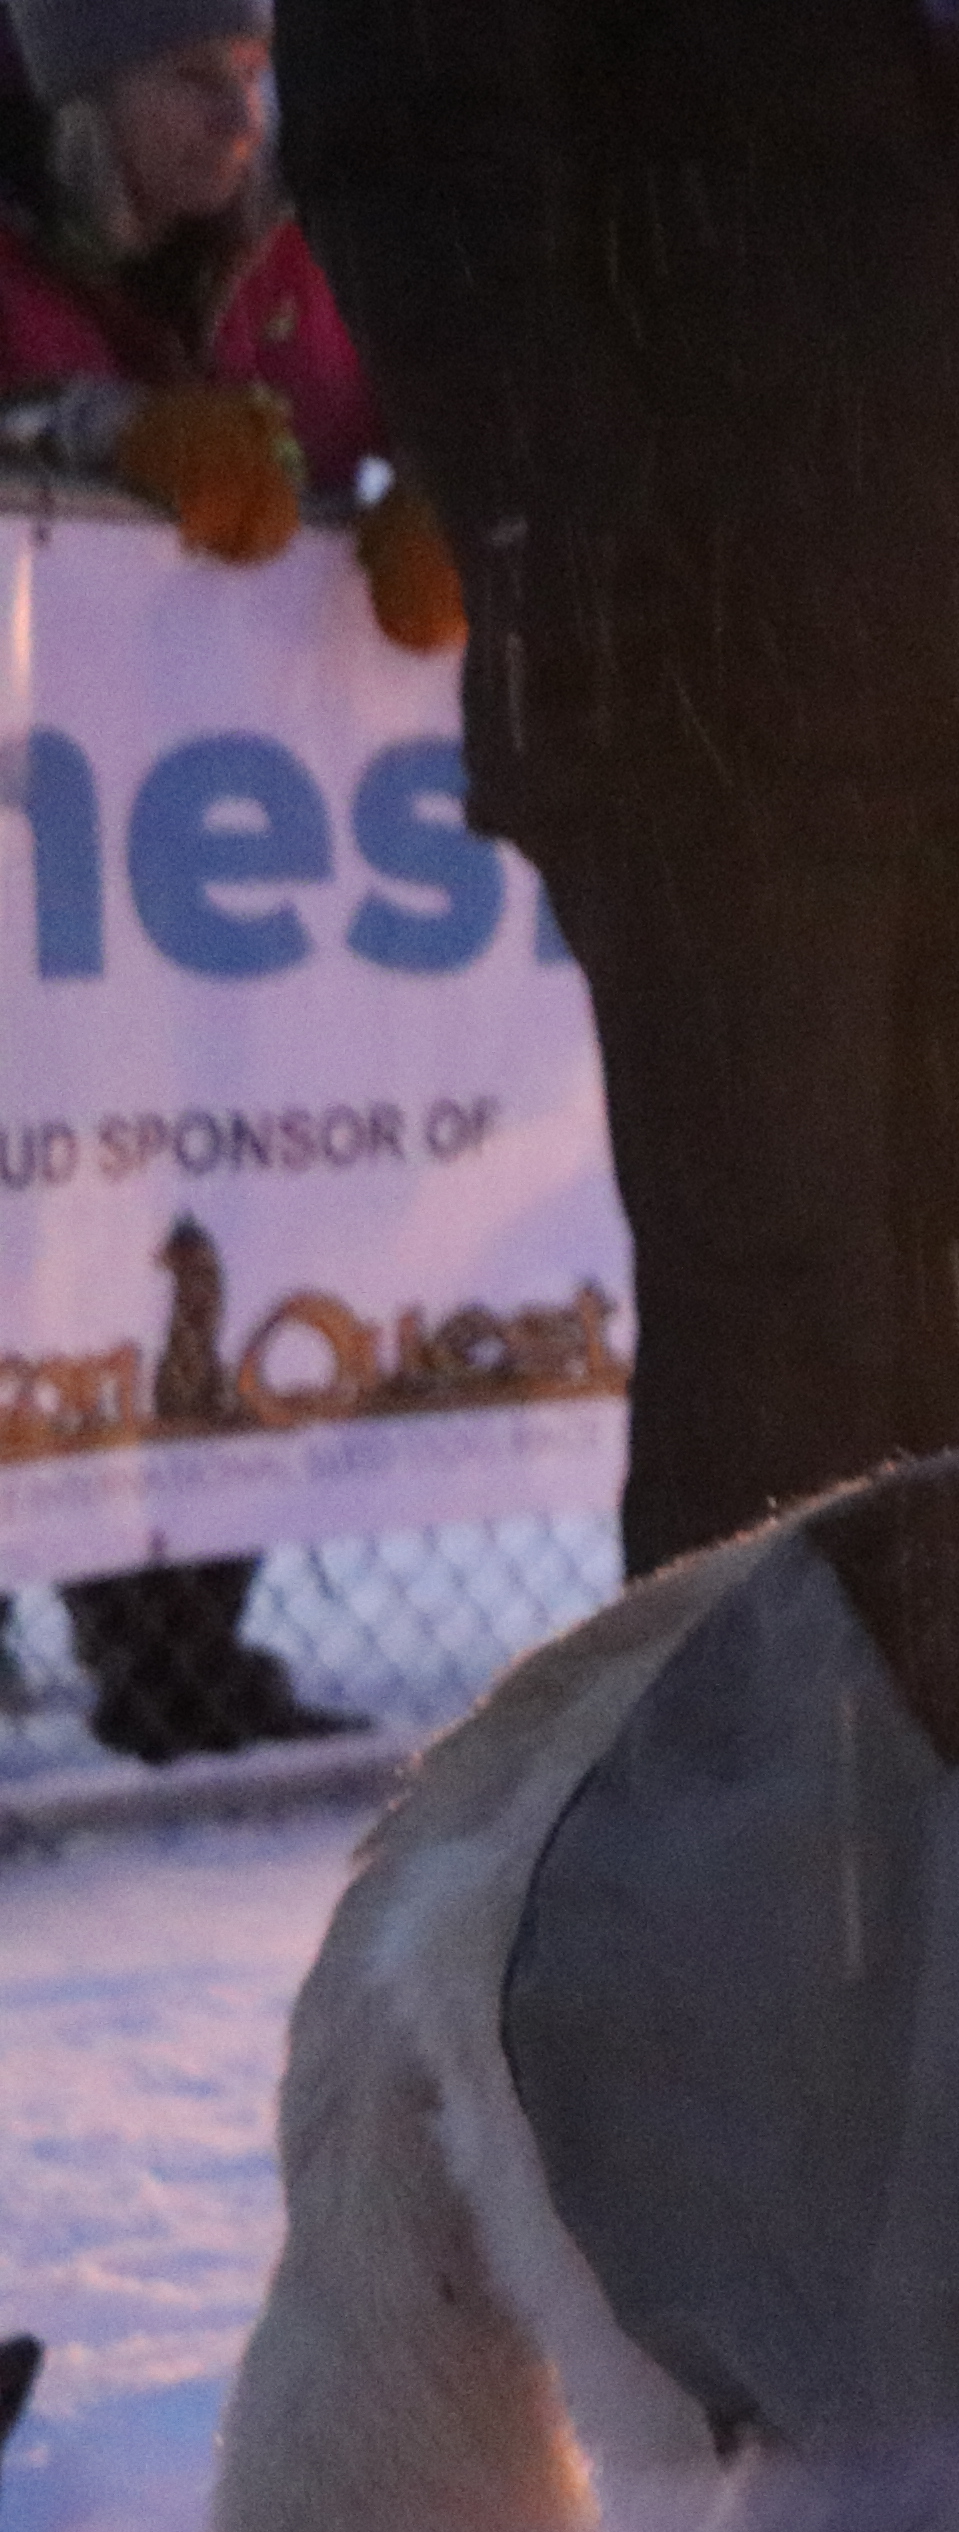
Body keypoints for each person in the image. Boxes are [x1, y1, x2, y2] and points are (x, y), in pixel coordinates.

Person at [275, 0, 959, 1584]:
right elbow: (413, 161)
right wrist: (573, 527)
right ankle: (742, 1814)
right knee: (782, 1352)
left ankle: (951, 1791)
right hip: (703, 691)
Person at [2, 0, 427, 1761]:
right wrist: (94, 445)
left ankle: (180, 1646)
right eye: (193, 79)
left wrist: (452, 502)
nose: (239, 114)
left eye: (255, 75)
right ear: (85, 97)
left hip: (201, 880)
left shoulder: (308, 266)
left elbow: (424, 388)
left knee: (221, 1218)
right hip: (47, 858)